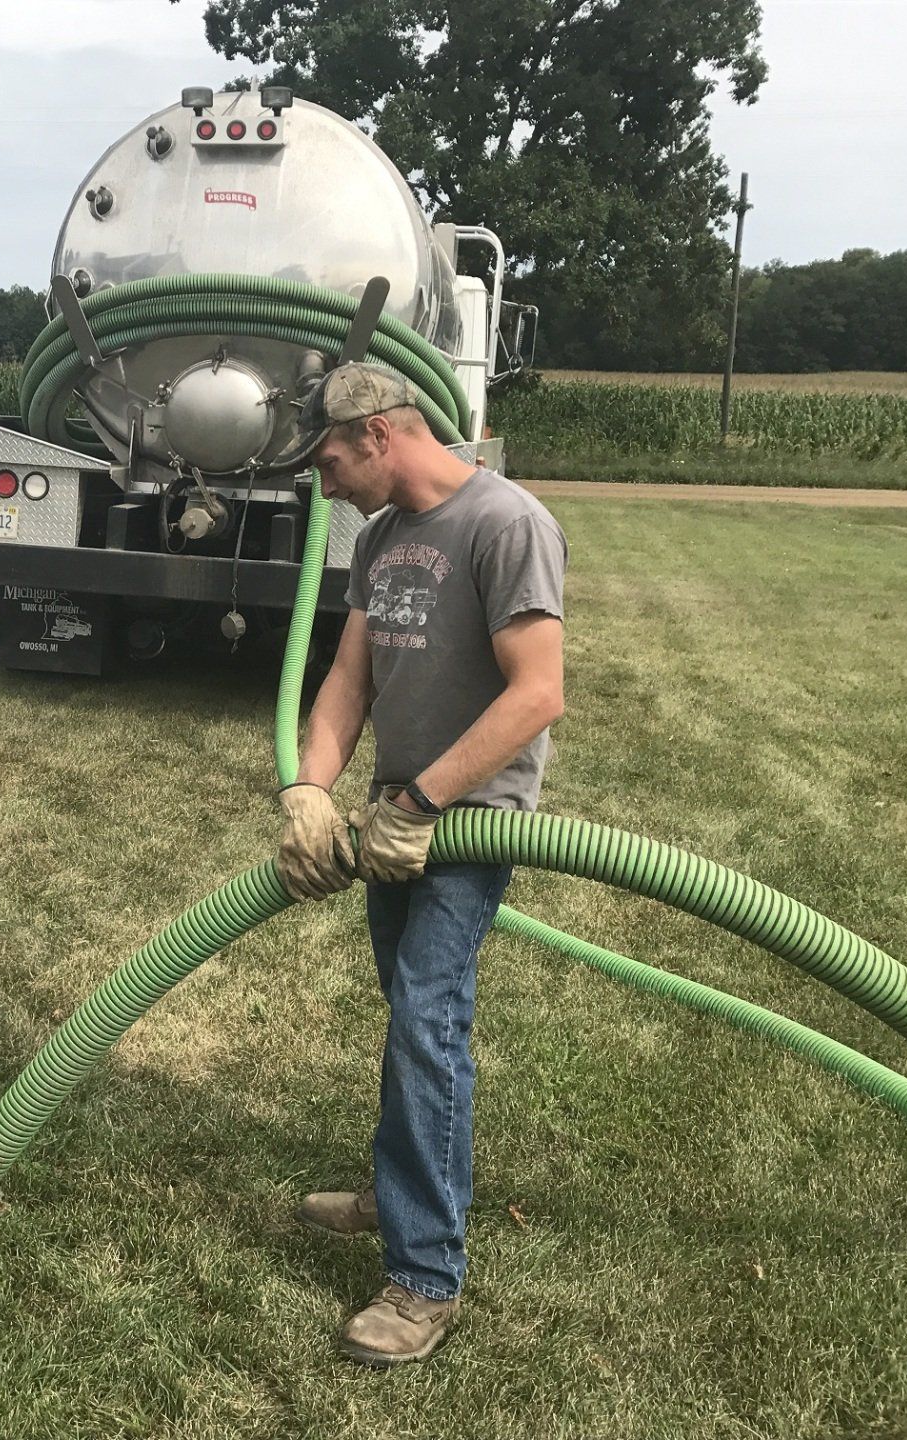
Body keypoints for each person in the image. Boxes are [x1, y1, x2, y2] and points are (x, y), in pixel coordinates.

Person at [276, 363, 567, 1367]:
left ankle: (424, 1276)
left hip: (464, 823)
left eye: (327, 461)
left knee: (428, 1027)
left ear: (381, 434)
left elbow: (536, 694)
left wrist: (424, 801)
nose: (323, 483)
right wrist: (310, 790)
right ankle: (401, 1189)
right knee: (409, 1015)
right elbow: (349, 677)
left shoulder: (505, 523)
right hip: (400, 817)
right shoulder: (386, 537)